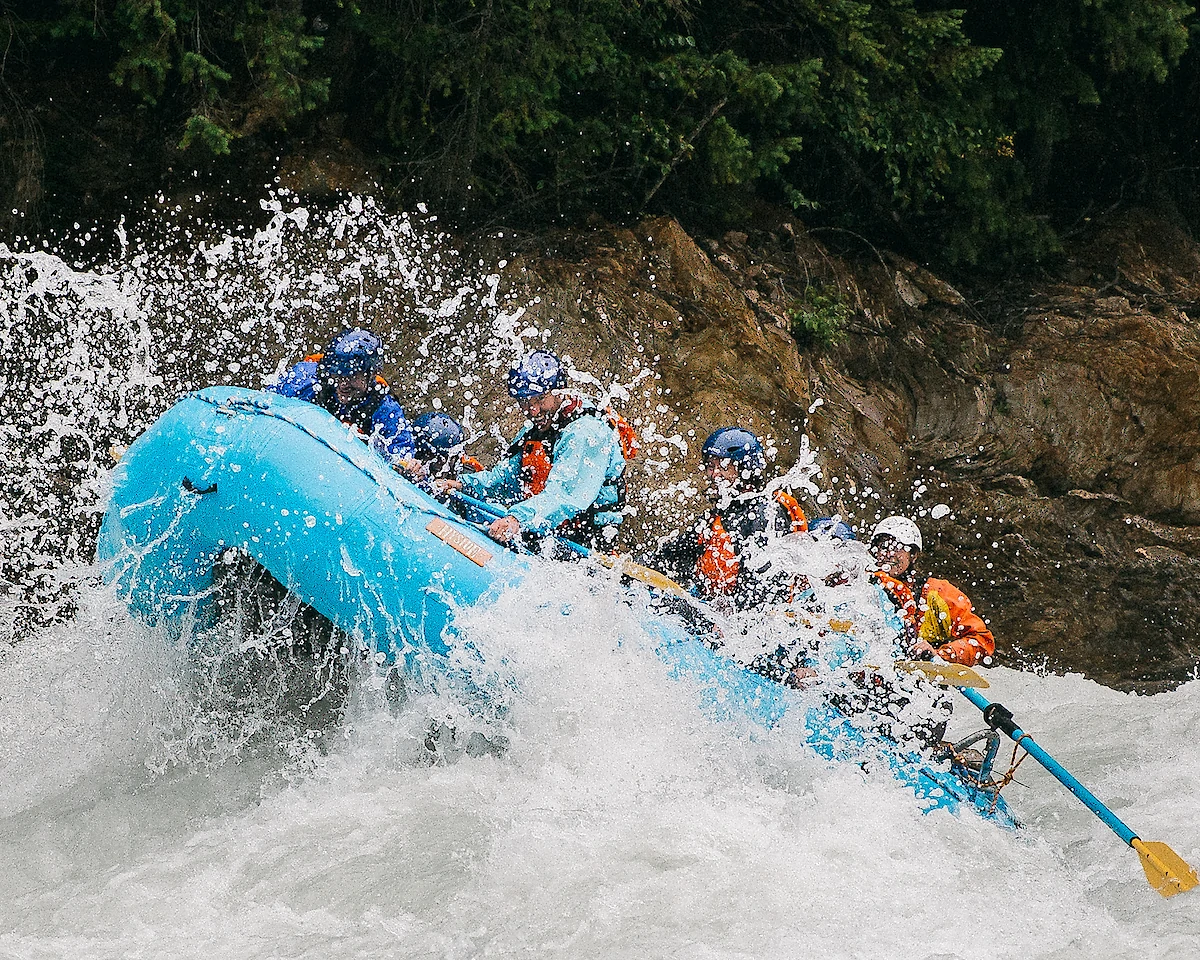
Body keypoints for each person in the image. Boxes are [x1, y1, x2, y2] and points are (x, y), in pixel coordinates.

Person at [437, 349, 635, 550]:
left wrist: (517, 519)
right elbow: (505, 478)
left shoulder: (586, 433)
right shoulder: (535, 429)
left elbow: (565, 496)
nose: (532, 410)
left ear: (560, 392)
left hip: (581, 546)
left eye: (540, 398)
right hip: (544, 533)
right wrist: (463, 485)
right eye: (524, 401)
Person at [652, 426, 807, 607]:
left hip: (749, 622)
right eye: (711, 466)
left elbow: (766, 588)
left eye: (723, 466)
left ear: (745, 469)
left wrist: (729, 619)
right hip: (714, 608)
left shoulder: (765, 515)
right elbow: (671, 557)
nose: (715, 474)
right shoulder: (717, 516)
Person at [267, 328, 416, 469]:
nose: (343, 384)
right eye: (337, 374)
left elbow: (401, 458)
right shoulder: (305, 378)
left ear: (373, 373)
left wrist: (409, 468)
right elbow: (266, 403)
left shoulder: (385, 409)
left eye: (352, 376)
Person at [868, 515, 995, 666]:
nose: (889, 554)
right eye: (883, 547)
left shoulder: (939, 593)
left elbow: (981, 641)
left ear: (913, 555)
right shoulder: (862, 587)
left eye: (898, 547)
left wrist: (941, 654)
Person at [409, 411, 484, 483]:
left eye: (447, 458)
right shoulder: (409, 460)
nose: (443, 462)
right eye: (438, 461)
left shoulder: (470, 471)